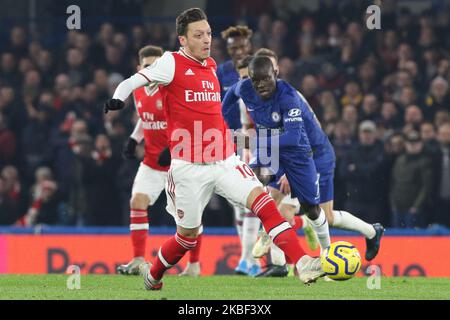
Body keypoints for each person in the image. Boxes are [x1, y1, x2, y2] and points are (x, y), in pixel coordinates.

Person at [105, 8, 323, 290]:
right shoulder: (171, 62)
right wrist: (118, 98)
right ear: (182, 40)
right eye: (198, 35)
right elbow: (134, 81)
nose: (206, 39)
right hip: (189, 168)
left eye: (208, 33)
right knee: (187, 238)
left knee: (265, 204)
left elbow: (210, 112)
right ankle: (154, 273)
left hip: (224, 160)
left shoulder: (210, 66)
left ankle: (302, 262)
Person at [224, 54, 384, 273]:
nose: (259, 84)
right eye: (254, 79)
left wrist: (287, 171)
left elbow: (295, 137)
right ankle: (278, 261)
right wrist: (224, 122)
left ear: (276, 72)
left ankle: (363, 235)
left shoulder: (290, 96)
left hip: (314, 154)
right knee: (262, 190)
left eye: (265, 78)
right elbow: (233, 96)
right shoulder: (247, 90)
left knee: (316, 213)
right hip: (279, 151)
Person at [116, 45, 203, 276]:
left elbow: (189, 123)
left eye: (156, 66)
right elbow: (145, 119)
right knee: (137, 201)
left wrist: (172, 148)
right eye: (147, 67)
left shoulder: (174, 88)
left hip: (180, 162)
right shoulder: (137, 90)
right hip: (152, 163)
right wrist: (134, 139)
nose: (152, 71)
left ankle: (194, 265)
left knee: (188, 216)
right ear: (139, 68)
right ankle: (137, 260)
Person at [217, 26, 260, 276]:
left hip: (256, 138)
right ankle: (250, 260)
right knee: (237, 202)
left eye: (242, 47)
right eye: (233, 48)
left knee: (254, 198)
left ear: (249, 46)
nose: (238, 52)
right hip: (226, 139)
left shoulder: (259, 69)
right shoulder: (219, 73)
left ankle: (248, 258)